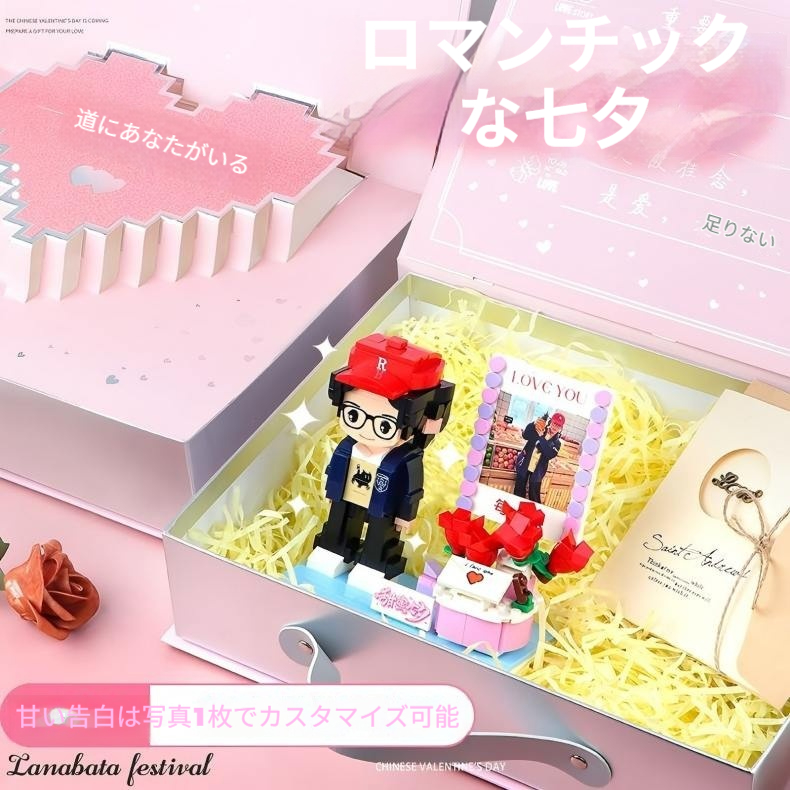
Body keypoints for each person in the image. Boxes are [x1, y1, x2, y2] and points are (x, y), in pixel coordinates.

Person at [306, 334, 454, 593]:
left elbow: (411, 490)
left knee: (380, 536)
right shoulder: (347, 448)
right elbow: (336, 469)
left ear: (418, 419)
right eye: (354, 414)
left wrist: (405, 515)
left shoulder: (406, 459)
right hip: (345, 499)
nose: (365, 428)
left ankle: (375, 565)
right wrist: (331, 490)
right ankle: (334, 550)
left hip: (383, 509)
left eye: (384, 424)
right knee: (339, 523)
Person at [526, 413, 564, 504]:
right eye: (554, 423)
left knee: (534, 495)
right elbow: (525, 435)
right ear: (550, 422)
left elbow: (549, 454)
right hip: (526, 464)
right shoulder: (540, 429)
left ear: (561, 428)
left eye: (558, 426)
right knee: (519, 490)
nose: (555, 427)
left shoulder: (557, 443)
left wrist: (541, 438)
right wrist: (534, 423)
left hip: (538, 470)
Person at [513, 413, 548, 498]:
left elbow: (546, 449)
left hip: (537, 466)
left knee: (533, 492)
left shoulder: (547, 433)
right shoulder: (533, 427)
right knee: (519, 486)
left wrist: (542, 435)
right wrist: (533, 424)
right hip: (526, 460)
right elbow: (525, 435)